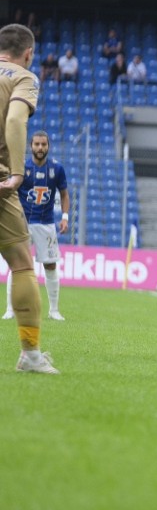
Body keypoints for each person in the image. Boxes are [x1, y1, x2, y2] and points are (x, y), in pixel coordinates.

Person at [0, 23, 59, 373]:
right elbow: (15, 119)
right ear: (28, 53)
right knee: (22, 263)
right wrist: (17, 171)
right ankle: (31, 355)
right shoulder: (23, 77)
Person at [3, 130, 69, 321]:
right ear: (31, 146)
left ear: (48, 146)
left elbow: (64, 194)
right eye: (37, 144)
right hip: (21, 223)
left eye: (43, 144)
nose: (40, 148)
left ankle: (54, 310)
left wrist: (64, 216)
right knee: (17, 265)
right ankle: (10, 309)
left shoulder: (57, 169)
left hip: (46, 223)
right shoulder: (21, 167)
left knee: (50, 265)